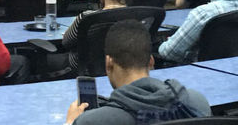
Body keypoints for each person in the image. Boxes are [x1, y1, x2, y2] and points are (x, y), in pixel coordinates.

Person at [64, 20, 210, 125]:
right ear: (151, 61)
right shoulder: (197, 103)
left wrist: (71, 122)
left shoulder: (92, 121)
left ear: (109, 63)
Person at [61, 0, 132, 72]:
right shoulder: (137, 17)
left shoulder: (87, 18)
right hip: (122, 70)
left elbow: (66, 43)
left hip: (84, 69)